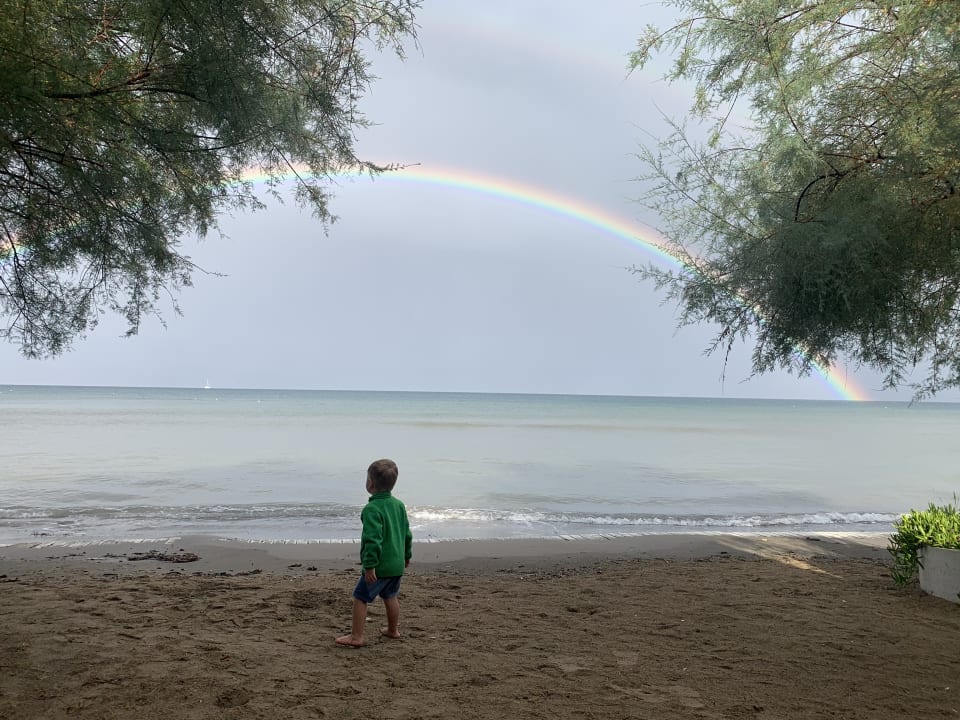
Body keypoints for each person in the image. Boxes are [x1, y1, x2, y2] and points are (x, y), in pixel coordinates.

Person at [335, 458, 412, 647]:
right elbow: (406, 533)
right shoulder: (399, 505)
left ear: (370, 483)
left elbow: (373, 540)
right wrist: (407, 555)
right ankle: (392, 630)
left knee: (360, 597)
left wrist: (370, 566)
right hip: (396, 564)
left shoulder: (372, 509)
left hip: (379, 566)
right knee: (390, 596)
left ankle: (356, 637)